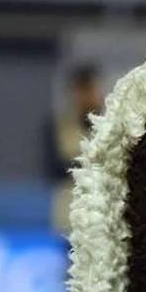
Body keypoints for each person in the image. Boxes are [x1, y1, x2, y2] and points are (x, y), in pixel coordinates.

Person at [45, 63, 103, 236]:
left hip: (103, 215)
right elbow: (54, 167)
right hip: (70, 215)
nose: (87, 96)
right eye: (82, 90)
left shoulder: (110, 124)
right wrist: (93, 161)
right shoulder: (59, 126)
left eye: (90, 89)